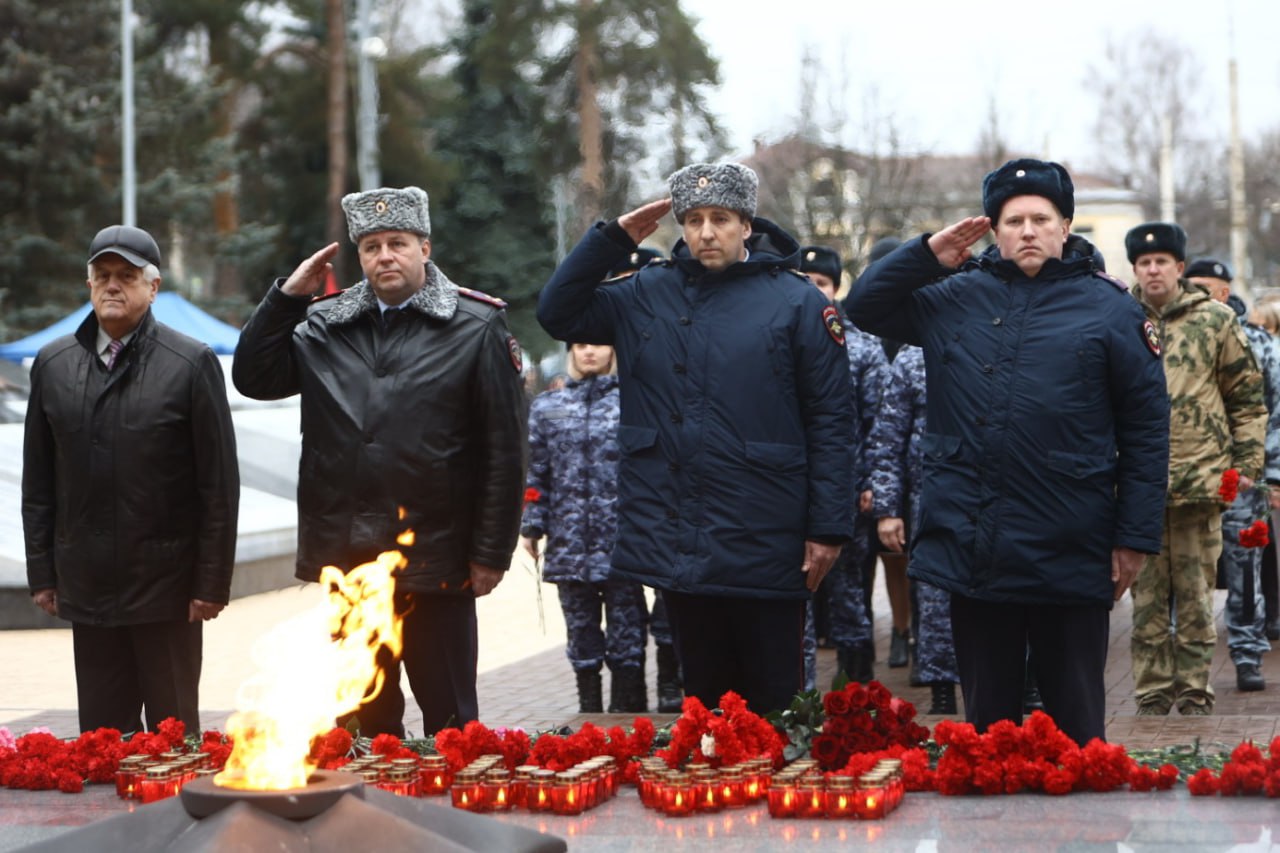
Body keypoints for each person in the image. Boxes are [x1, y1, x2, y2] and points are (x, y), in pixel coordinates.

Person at [848, 158, 1170, 746]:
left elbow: (1147, 432)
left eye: (1040, 218)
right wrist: (925, 254)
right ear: (993, 228)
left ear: (1065, 226)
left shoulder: (1111, 311)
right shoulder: (953, 298)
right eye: (1013, 219)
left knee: (1076, 729)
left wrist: (1135, 538)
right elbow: (864, 307)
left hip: (1071, 543)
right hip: (977, 544)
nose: (1028, 230)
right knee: (988, 730)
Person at [537, 163, 855, 715]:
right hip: (677, 528)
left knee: (775, 702)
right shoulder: (645, 293)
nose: (706, 232)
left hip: (767, 530)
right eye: (694, 220)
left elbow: (831, 419)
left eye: (721, 219)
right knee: (705, 703)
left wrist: (827, 527)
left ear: (747, 225)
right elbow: (558, 312)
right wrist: (611, 241)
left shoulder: (797, 302)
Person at [232, 186, 526, 736]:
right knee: (363, 719)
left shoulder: (475, 326)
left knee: (451, 721)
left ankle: (452, 820)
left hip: (438, 559)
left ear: (424, 247)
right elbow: (254, 376)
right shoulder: (324, 325)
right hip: (350, 556)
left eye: (397, 243)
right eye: (370, 246)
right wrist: (285, 300)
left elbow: (504, 452)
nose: (384, 256)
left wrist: (491, 553)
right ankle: (367, 820)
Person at [23, 225, 240, 735]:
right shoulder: (54, 365)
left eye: (126, 276)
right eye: (102, 276)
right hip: (89, 585)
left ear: (153, 286)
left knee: (171, 744)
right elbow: (39, 481)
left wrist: (211, 583)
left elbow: (218, 488)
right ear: (89, 284)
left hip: (166, 590)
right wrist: (43, 573)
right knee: (102, 745)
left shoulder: (191, 362)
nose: (112, 286)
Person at [1127, 238, 1266, 713]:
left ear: (1179, 267)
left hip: (1200, 481)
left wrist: (1246, 465)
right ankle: (1150, 692)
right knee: (1145, 601)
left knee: (1195, 597)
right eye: (1143, 263)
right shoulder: (1119, 318)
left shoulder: (1215, 320)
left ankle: (1192, 692)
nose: (1152, 271)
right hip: (1137, 487)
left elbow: (1247, 399)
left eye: (1160, 261)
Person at [520, 341, 650, 714]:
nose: (589, 352)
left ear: (614, 350)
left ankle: (629, 716)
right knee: (581, 636)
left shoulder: (634, 403)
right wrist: (532, 524)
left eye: (598, 344)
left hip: (623, 545)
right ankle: (589, 718)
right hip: (569, 545)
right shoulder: (549, 407)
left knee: (627, 636)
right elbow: (538, 471)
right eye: (580, 345)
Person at [600, 247, 684, 713]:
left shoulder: (667, 346)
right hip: (609, 523)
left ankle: (673, 684)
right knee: (622, 618)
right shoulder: (596, 351)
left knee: (671, 604)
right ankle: (625, 697)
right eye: (621, 279)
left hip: (661, 502)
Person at [799, 245, 880, 685]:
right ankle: (801, 692)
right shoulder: (783, 339)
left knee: (848, 592)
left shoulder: (863, 349)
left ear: (836, 289)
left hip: (846, 494)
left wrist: (867, 481)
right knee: (798, 596)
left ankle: (855, 686)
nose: (813, 292)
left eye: (822, 284)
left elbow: (876, 423)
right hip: (793, 492)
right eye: (805, 282)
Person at [866, 343, 959, 714]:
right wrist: (888, 509)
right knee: (934, 601)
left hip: (992, 499)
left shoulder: (995, 339)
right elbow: (888, 439)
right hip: (930, 502)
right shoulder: (912, 357)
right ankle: (941, 690)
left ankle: (1023, 682)